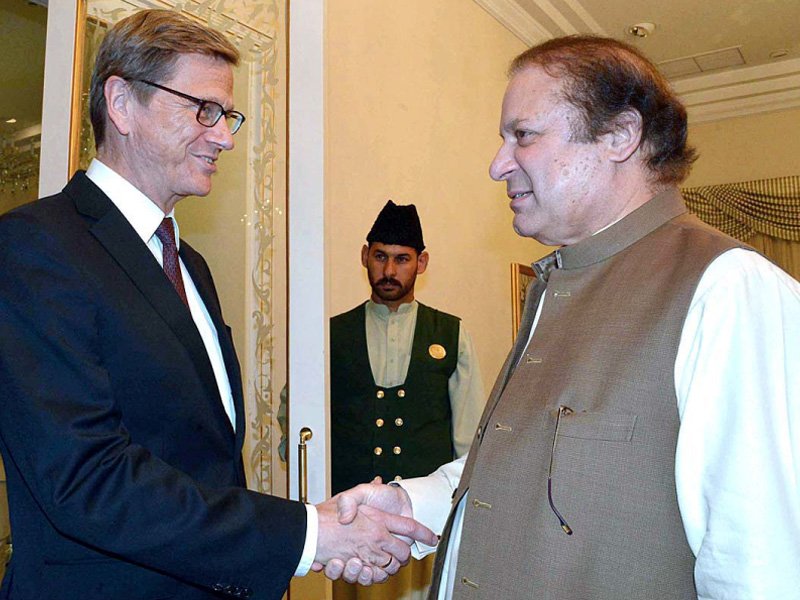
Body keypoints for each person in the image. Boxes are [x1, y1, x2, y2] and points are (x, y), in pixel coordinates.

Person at [330, 35, 800, 598]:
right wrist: (411, 502)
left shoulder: (727, 287)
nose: (497, 164)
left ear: (620, 136)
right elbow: (536, 465)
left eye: (522, 136)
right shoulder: (557, 284)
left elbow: (759, 565)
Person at [0, 10, 435, 600]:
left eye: (227, 115)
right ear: (122, 103)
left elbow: (200, 461)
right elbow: (86, 479)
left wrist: (306, 531)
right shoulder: (34, 245)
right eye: (203, 110)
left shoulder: (190, 265)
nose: (225, 136)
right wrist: (311, 535)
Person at [330, 200, 485, 495]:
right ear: (365, 256)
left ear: (421, 263)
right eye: (380, 256)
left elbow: (470, 440)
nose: (389, 270)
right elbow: (300, 418)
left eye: (402, 259)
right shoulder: (330, 335)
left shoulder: (452, 334)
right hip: (346, 509)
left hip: (424, 512)